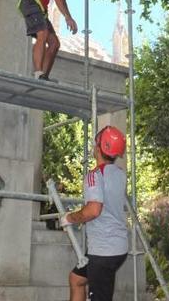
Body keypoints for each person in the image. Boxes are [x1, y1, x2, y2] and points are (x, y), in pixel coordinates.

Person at [59, 125, 129, 301]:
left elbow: (93, 210)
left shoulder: (95, 175)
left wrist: (69, 218)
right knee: (76, 279)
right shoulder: (120, 174)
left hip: (103, 252)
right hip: (117, 248)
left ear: (98, 148)